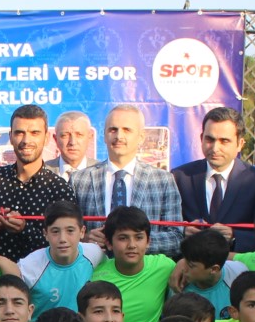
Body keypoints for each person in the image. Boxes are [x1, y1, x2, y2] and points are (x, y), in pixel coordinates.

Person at [70, 104, 184, 256]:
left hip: (144, 269)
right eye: (113, 130)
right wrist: (84, 239)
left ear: (141, 137)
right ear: (104, 135)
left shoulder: (163, 180)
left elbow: (176, 237)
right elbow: (67, 232)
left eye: (127, 130)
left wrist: (134, 242)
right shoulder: (79, 180)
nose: (119, 136)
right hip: (95, 267)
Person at [0, 105, 76, 262]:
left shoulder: (59, 188)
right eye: (19, 133)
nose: (26, 141)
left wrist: (24, 229)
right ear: (11, 137)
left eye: (34, 133)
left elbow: (66, 244)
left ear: (46, 138)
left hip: (41, 274)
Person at [173, 107, 255, 252]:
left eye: (224, 141)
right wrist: (183, 231)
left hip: (238, 262)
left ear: (240, 144)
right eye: (210, 139)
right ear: (201, 138)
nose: (215, 148)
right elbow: (166, 227)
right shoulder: (180, 177)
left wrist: (235, 236)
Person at [89, 205, 176, 322]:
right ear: (109, 243)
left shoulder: (165, 266)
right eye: (123, 238)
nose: (132, 245)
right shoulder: (94, 275)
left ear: (148, 242)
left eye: (139, 237)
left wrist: (183, 263)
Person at [18, 200, 104, 314]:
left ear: (82, 232)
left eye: (70, 231)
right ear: (45, 234)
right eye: (55, 231)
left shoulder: (95, 253)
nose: (62, 239)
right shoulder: (29, 267)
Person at [175, 229, 245, 320]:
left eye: (191, 266)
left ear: (214, 269)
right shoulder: (177, 284)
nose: (183, 269)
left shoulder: (238, 275)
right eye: (185, 261)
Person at [47, 111, 97, 177]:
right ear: (56, 139)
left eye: (79, 135)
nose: (72, 142)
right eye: (65, 135)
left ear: (90, 137)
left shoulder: (103, 172)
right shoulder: (41, 173)